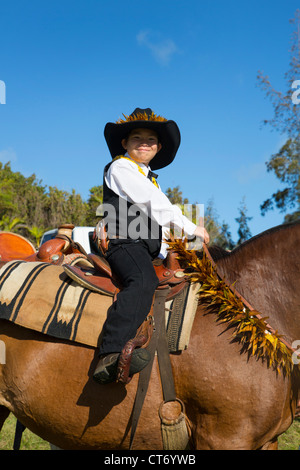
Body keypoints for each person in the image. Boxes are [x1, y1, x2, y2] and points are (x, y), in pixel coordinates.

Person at [93, 107, 209, 384]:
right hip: (125, 243)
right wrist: (194, 228)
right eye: (136, 137)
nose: (144, 143)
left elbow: (162, 219)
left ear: (158, 147)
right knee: (142, 279)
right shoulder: (121, 167)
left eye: (150, 139)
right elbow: (154, 205)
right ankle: (109, 354)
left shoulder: (150, 179)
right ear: (124, 143)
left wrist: (184, 245)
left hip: (145, 247)